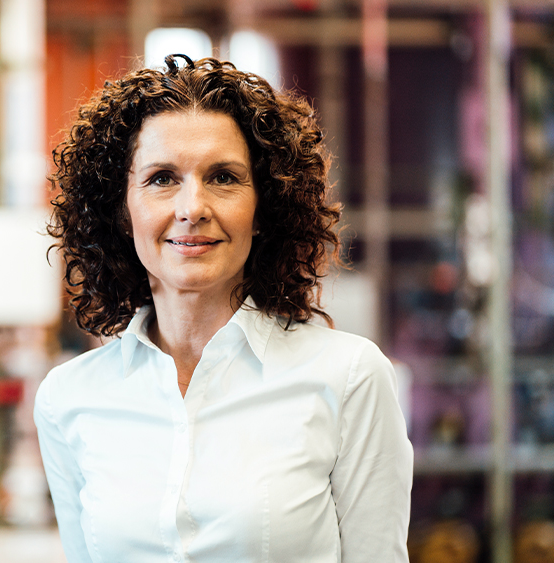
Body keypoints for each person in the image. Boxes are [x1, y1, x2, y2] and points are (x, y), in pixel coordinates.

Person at [35, 55, 413, 563]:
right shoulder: (69, 397)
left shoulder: (349, 378)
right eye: (161, 178)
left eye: (224, 177)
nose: (192, 208)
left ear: (264, 209)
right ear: (122, 212)